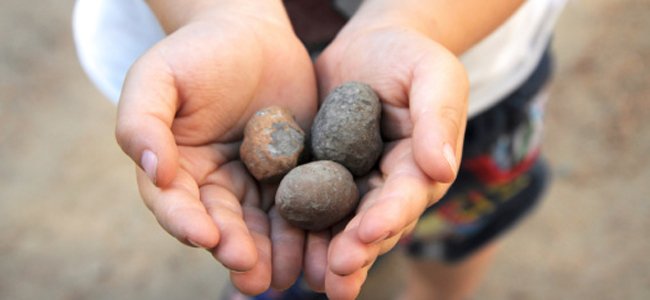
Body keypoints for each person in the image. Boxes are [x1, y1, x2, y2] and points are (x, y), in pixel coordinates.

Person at [73, 0, 565, 299]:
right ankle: (286, 291)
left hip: (456, 86)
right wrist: (222, 13)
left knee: (459, 225)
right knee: (276, 265)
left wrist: (411, 21)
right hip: (214, 78)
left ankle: (439, 292)